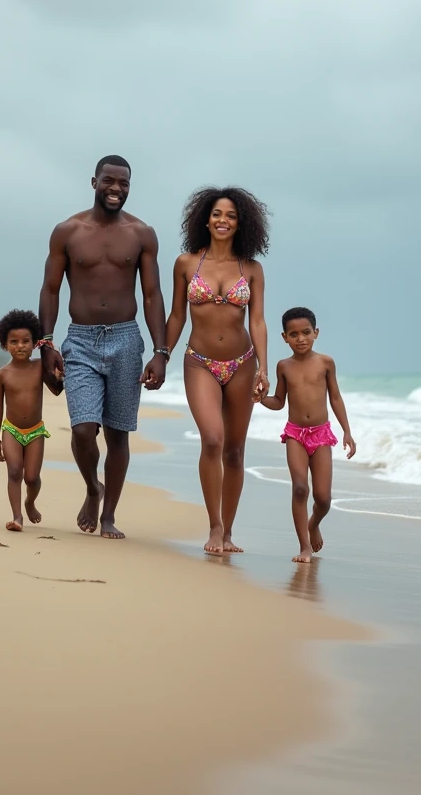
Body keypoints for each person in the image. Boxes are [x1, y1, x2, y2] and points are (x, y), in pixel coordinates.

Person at [38, 155, 168, 540]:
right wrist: (46, 344)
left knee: (117, 434)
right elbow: (50, 289)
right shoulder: (67, 231)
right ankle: (93, 487)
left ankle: (108, 513)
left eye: (124, 183)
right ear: (94, 181)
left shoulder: (142, 233)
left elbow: (152, 294)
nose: (116, 189)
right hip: (80, 339)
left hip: (127, 338)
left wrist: (161, 353)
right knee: (83, 430)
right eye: (109, 181)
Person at [165, 186, 270, 555]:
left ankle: (229, 534)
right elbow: (178, 315)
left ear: (241, 223)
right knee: (212, 439)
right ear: (204, 220)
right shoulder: (186, 263)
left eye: (231, 216)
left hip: (243, 364)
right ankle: (214, 526)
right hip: (200, 362)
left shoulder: (252, 269)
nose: (223, 221)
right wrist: (162, 354)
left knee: (236, 452)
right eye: (216, 215)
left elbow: (257, 321)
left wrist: (264, 368)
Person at [256, 307, 356, 562]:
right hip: (295, 434)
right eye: (293, 334)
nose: (300, 338)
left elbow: (335, 397)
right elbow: (279, 401)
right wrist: (259, 399)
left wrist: (347, 431)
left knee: (323, 499)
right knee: (300, 488)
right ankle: (304, 547)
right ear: (284, 337)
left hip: (322, 434)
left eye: (306, 332)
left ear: (316, 333)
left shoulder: (325, 363)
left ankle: (314, 524)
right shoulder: (283, 367)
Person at [0, 309, 63, 532]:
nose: (20, 346)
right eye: (13, 341)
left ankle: (30, 502)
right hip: (11, 429)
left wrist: (59, 378)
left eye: (25, 341)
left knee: (31, 478)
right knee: (14, 472)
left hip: (35, 431)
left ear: (34, 343)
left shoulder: (40, 367)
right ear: (5, 344)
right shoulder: (2, 374)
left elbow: (57, 391)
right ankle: (17, 517)